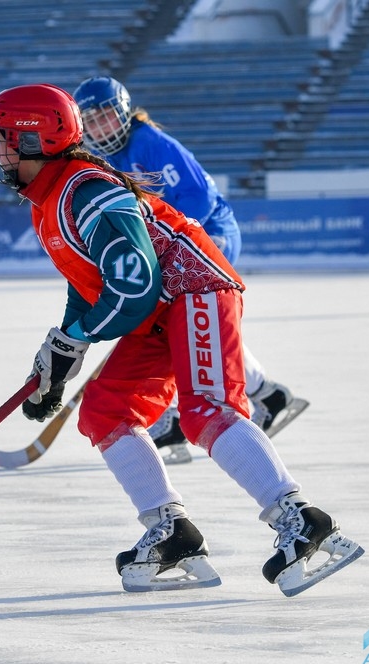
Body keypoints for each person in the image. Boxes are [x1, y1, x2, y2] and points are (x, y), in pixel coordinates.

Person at [0, 83, 363, 596]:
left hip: (194, 290)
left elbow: (133, 288)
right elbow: (86, 285)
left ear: (35, 140)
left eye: (4, 137)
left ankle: (304, 522)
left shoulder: (86, 191)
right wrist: (63, 349)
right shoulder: (48, 199)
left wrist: (75, 339)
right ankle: (173, 533)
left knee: (205, 408)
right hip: (159, 309)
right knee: (103, 410)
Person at [73, 76, 306, 459]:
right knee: (175, 324)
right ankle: (264, 393)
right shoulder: (108, 159)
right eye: (92, 121)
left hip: (208, 235)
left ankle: (182, 415)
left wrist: (163, 249)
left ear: (124, 112)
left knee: (183, 320)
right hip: (174, 247)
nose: (100, 128)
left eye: (106, 117)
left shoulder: (150, 143)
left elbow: (198, 198)